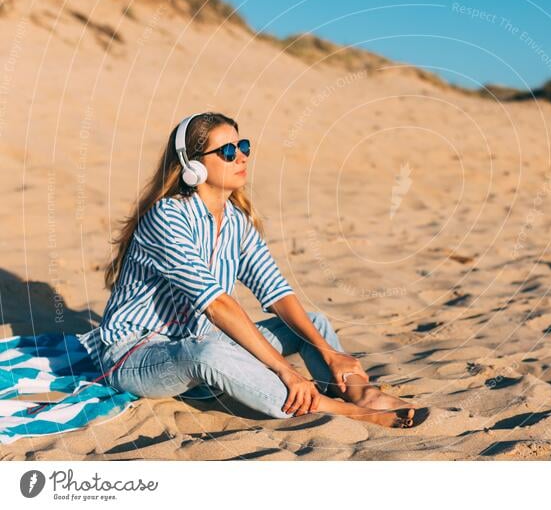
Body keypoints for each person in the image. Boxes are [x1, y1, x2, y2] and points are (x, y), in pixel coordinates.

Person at [97, 112, 428, 428]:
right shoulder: (167, 217)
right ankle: (340, 409)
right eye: (227, 151)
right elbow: (217, 306)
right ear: (193, 166)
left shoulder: (236, 221)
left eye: (244, 147)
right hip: (136, 354)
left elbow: (277, 291)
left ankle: (363, 395)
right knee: (208, 352)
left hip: (201, 338)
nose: (241, 157)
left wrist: (330, 352)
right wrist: (286, 370)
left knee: (311, 324)